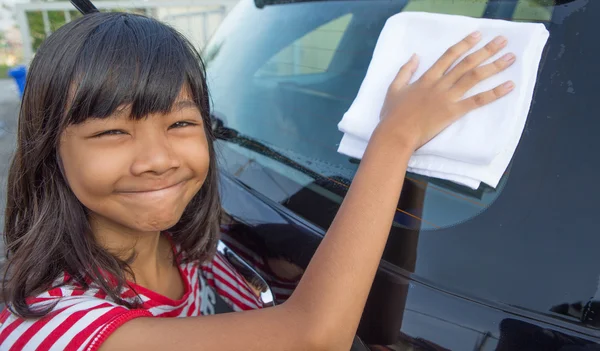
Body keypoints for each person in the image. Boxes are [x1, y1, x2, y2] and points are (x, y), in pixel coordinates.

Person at [0, 11, 516, 351]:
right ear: (49, 151)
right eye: (112, 131)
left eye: (181, 123)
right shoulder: (53, 323)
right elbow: (314, 335)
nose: (155, 159)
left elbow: (369, 322)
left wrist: (414, 171)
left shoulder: (185, 251)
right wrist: (394, 138)